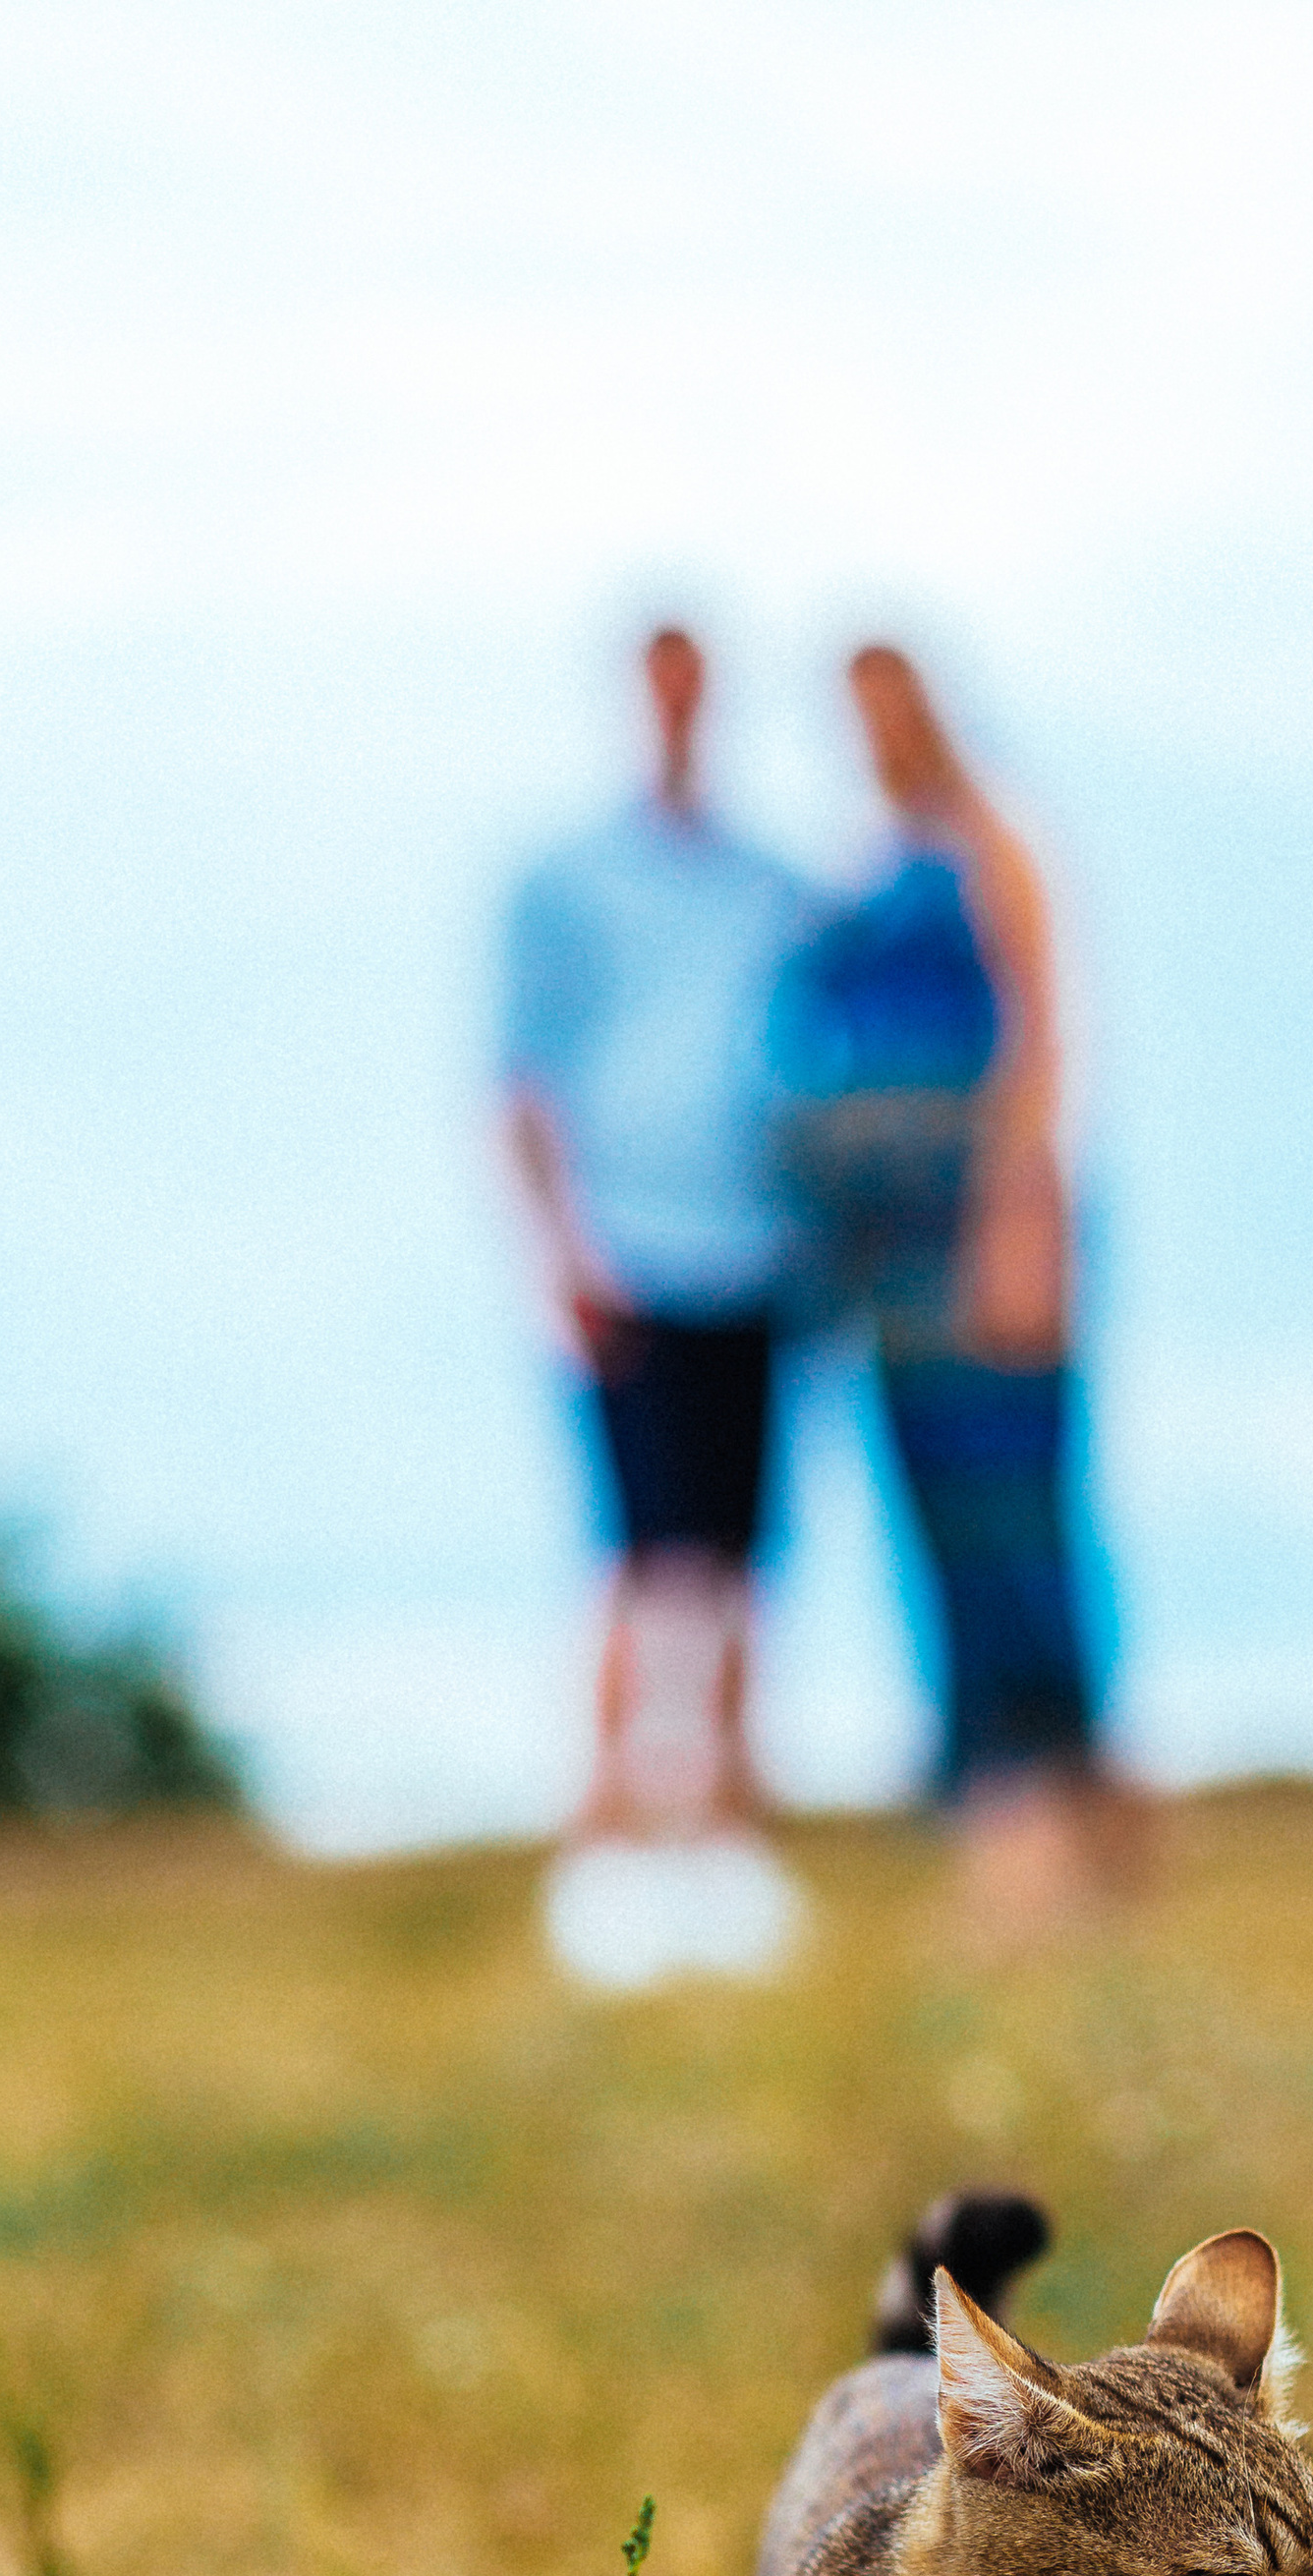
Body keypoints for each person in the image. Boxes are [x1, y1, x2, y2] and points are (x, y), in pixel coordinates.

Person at [775, 644, 1113, 1931]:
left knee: (1010, 1513)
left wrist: (1018, 1217)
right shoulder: (861, 864)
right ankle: (988, 1805)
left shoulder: (994, 841)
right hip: (886, 1252)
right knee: (932, 1517)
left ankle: (1058, 1819)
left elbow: (1039, 1030)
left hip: (983, 1224)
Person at [499, 625, 812, 1986]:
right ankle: (606, 1845)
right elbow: (520, 1082)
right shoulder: (563, 883)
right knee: (638, 1560)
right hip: (628, 1257)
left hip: (763, 1256)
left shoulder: (774, 888)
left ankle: (729, 1841)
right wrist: (560, 1252)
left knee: (740, 1565)